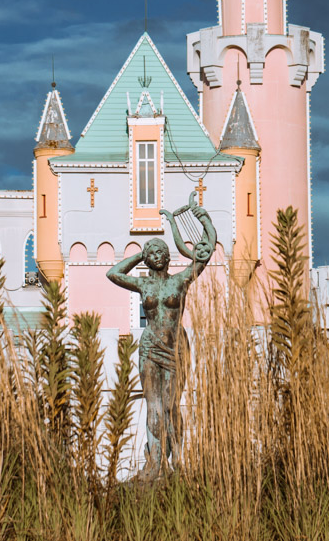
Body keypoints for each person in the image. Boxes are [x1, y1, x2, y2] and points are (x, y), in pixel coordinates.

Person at [107, 192, 217, 473]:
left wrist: (200, 215)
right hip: (149, 347)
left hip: (174, 347)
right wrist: (137, 254)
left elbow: (207, 251)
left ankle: (178, 459)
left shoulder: (180, 281)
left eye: (159, 251)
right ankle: (155, 462)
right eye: (151, 252)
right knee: (153, 406)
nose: (155, 255)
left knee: (170, 406)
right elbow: (113, 273)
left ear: (168, 257)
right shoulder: (144, 286)